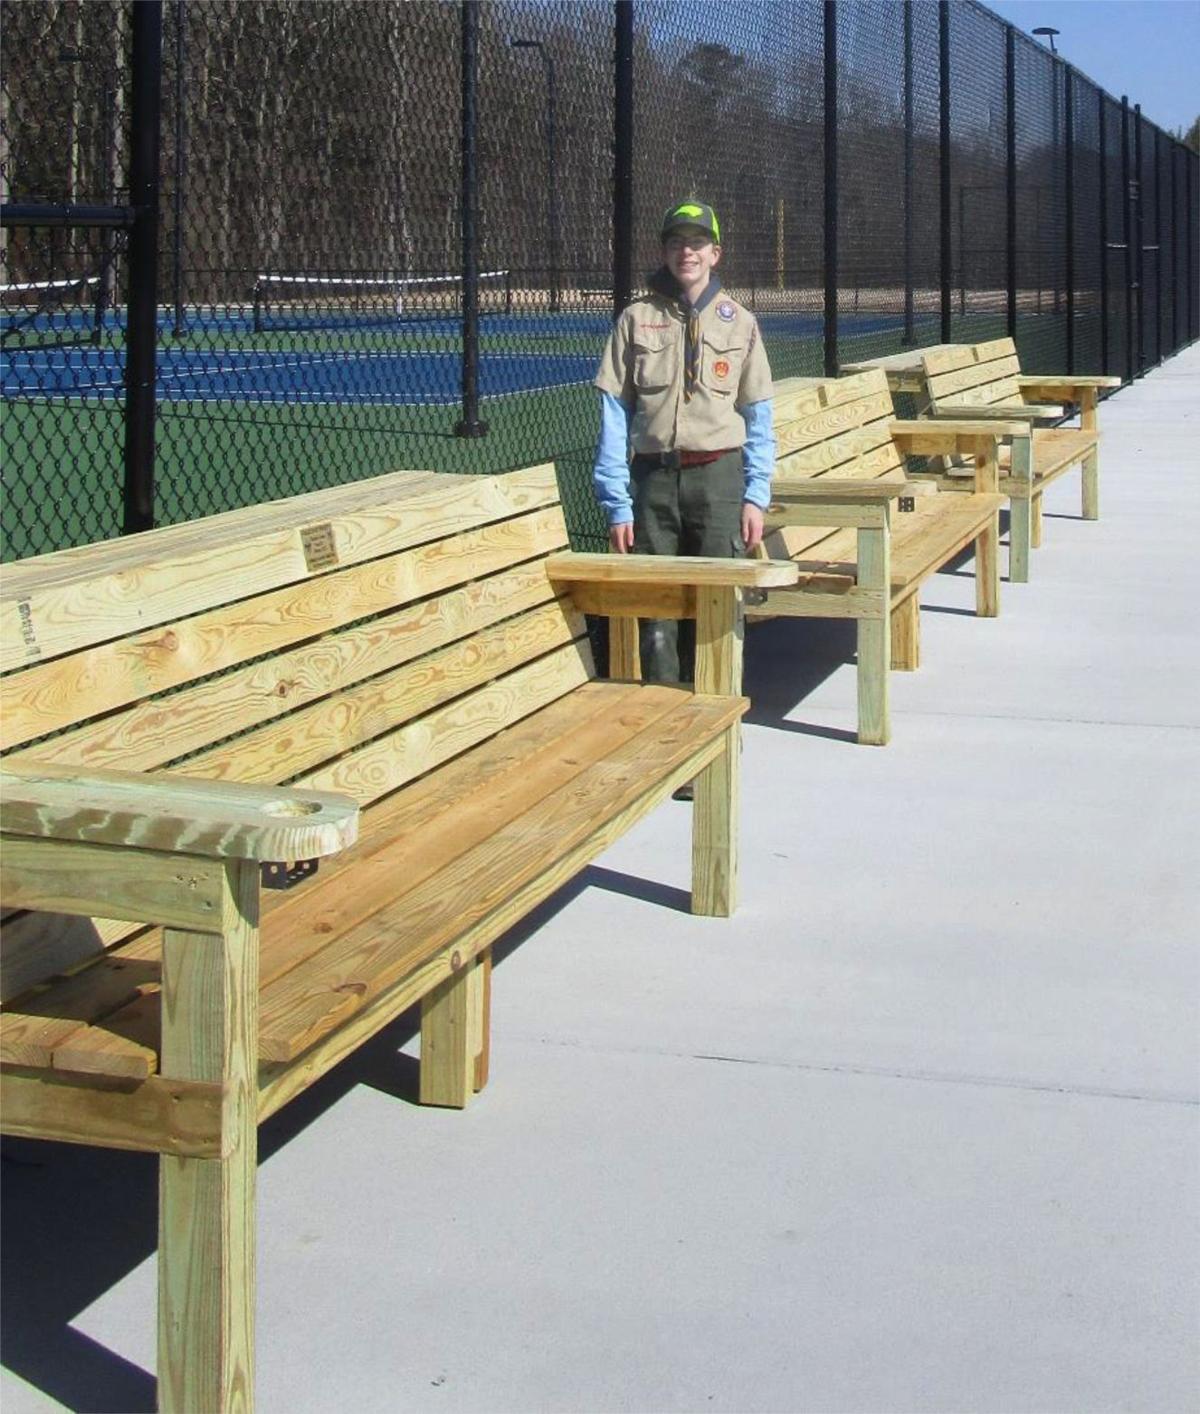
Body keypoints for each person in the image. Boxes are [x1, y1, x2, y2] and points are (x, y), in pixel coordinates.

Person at [592, 199, 775, 691]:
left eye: (696, 243)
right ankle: (665, 724)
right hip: (652, 481)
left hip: (718, 481)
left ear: (716, 253)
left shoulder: (740, 322)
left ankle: (716, 725)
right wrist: (617, 504)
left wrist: (756, 494)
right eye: (675, 242)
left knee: (717, 609)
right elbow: (614, 414)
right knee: (657, 613)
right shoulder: (636, 319)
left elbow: (758, 415)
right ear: (664, 251)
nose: (686, 252)